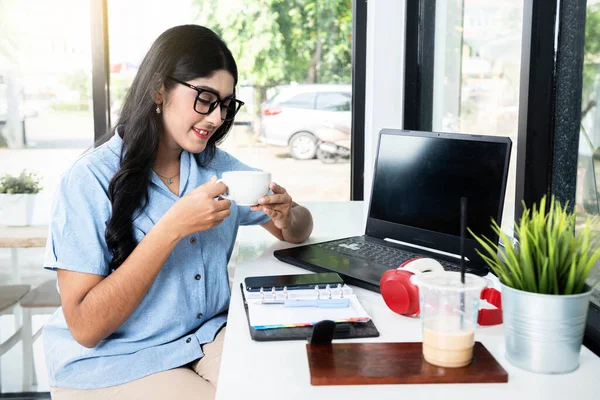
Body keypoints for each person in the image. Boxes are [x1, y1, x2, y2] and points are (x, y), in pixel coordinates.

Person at [43, 25, 313, 399]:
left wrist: (286, 215)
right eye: (205, 98)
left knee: (289, 383)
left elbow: (298, 228)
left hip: (201, 338)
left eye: (226, 104)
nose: (217, 118)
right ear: (159, 90)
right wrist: (171, 228)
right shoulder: (88, 180)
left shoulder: (218, 169)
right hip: (115, 359)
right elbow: (86, 328)